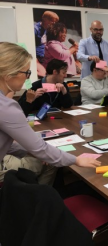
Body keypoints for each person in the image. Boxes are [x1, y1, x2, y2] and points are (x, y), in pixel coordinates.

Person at [0, 42, 100, 182]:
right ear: (8, 74)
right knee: (49, 162)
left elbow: (7, 143)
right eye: (26, 73)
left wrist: (30, 150)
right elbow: (39, 147)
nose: (27, 78)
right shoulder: (6, 106)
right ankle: (39, 201)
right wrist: (76, 160)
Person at [34, 10, 59, 77]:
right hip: (36, 58)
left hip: (43, 58)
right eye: (52, 21)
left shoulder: (47, 30)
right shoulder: (35, 29)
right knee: (43, 74)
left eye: (55, 22)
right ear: (45, 19)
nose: (54, 23)